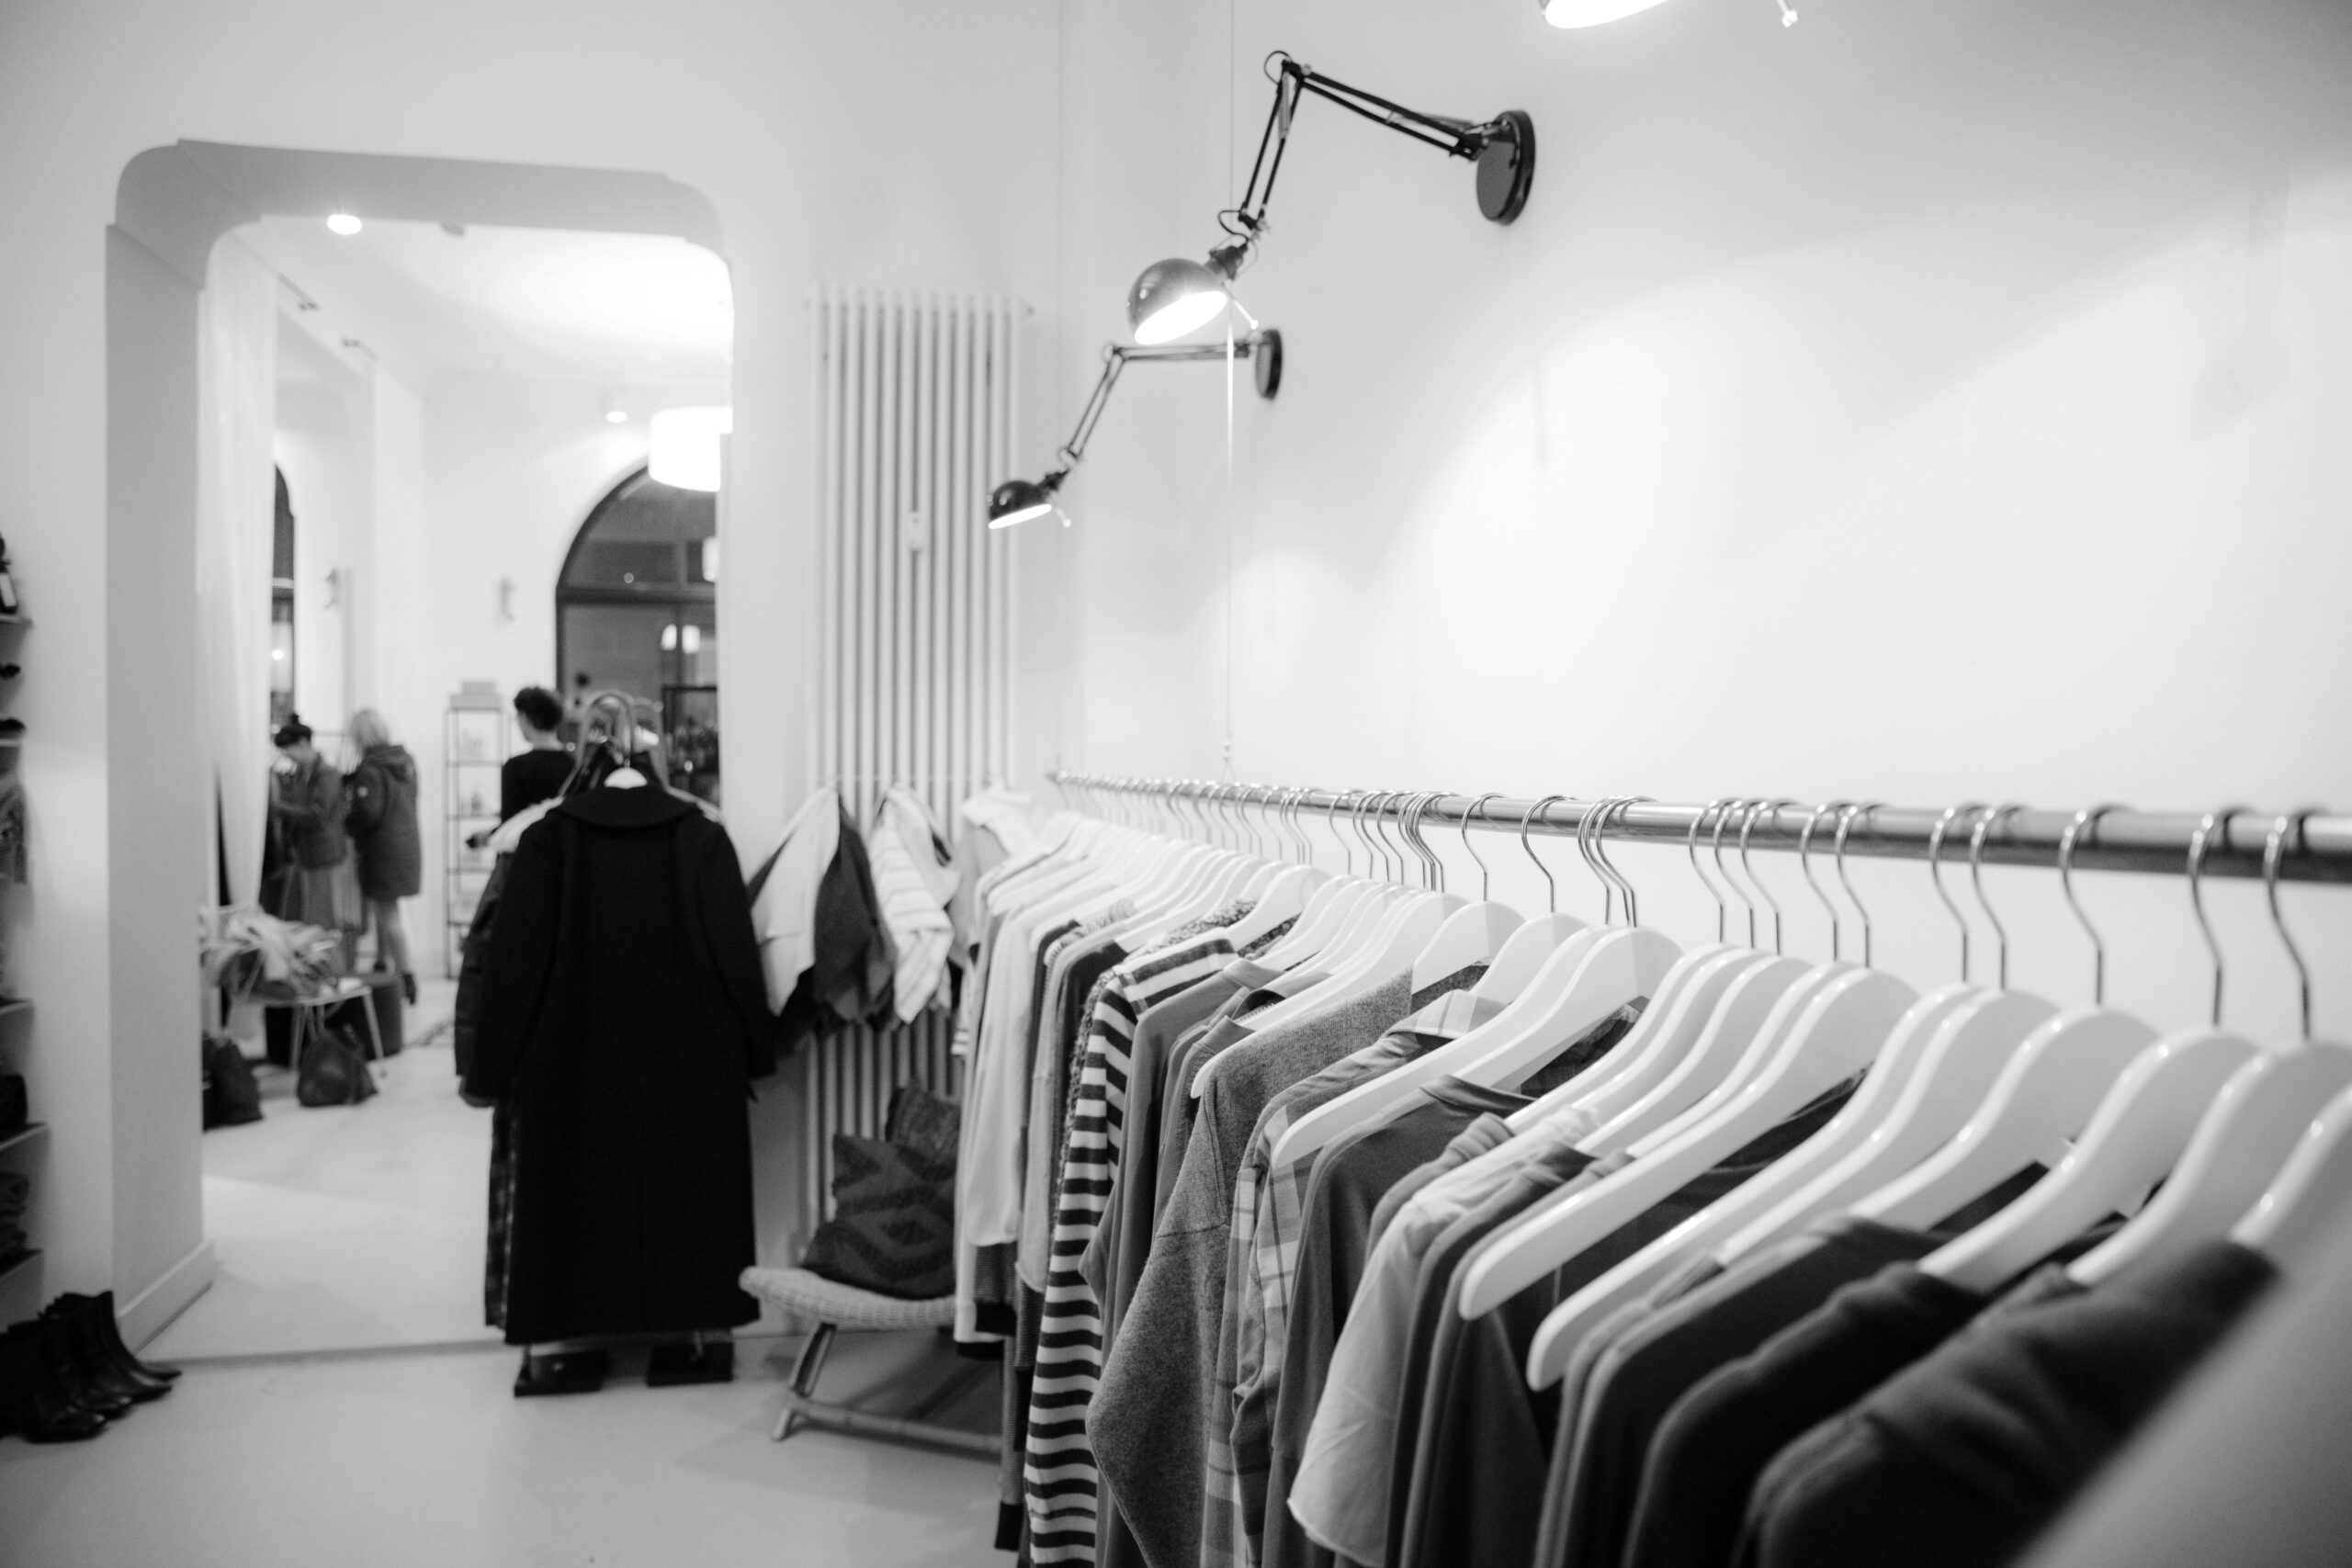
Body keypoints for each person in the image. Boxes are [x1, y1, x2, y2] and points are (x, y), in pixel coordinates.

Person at [343, 708, 422, 1004]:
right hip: (405, 845)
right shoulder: (405, 763)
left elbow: (368, 812)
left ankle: (406, 976)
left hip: (382, 849)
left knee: (389, 915)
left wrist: (346, 822)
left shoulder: (371, 770)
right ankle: (383, 963)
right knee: (386, 911)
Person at [265, 716, 362, 937]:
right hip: (308, 855)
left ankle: (329, 966)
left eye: (287, 749)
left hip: (325, 856)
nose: (285, 756)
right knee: (312, 918)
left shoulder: (326, 774)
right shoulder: (303, 774)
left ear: (302, 743)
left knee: (324, 919)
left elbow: (317, 815)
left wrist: (279, 806)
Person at [502, 686, 574, 820]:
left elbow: (510, 823)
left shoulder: (516, 767)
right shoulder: (574, 764)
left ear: (524, 717)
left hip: (528, 840)